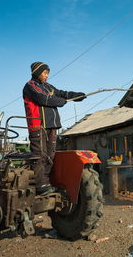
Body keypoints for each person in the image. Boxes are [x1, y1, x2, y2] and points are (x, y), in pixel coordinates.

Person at [23, 62, 86, 195]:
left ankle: (46, 182)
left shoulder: (48, 86)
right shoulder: (30, 86)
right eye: (45, 73)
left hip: (52, 124)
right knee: (40, 155)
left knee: (50, 154)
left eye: (48, 73)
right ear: (37, 72)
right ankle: (41, 184)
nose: (47, 76)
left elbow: (61, 93)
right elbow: (43, 99)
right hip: (38, 124)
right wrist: (60, 102)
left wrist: (76, 96)